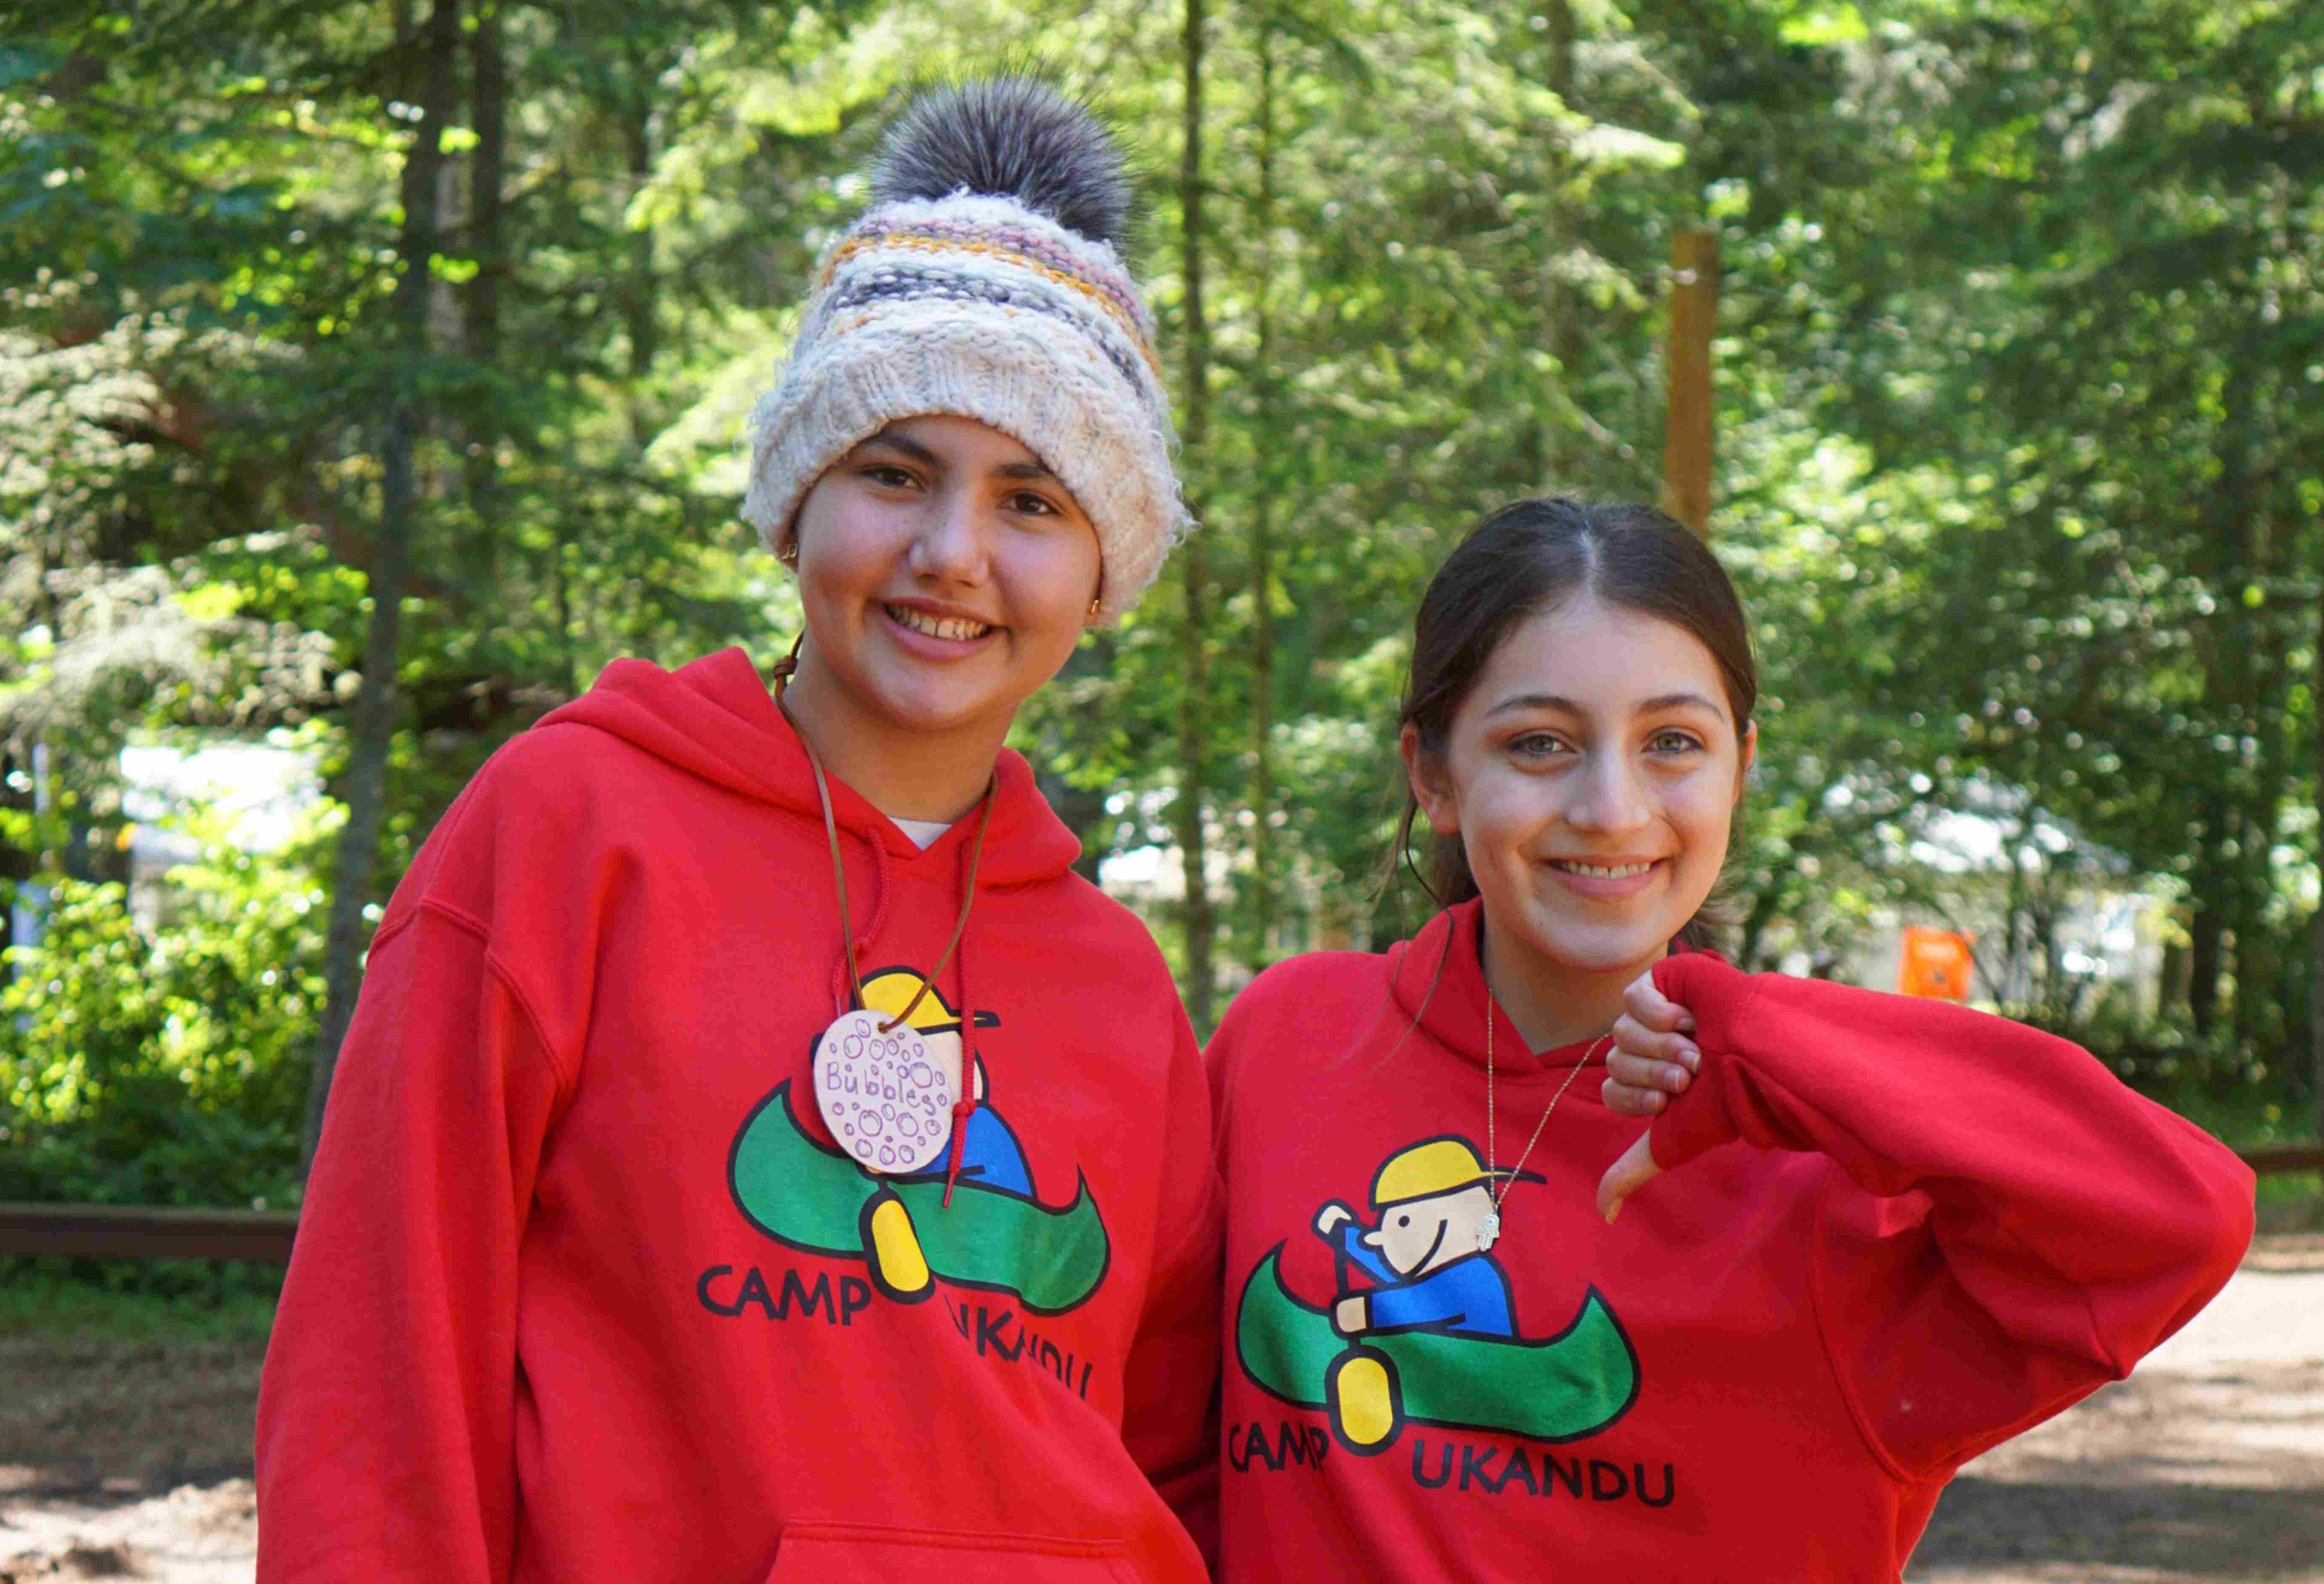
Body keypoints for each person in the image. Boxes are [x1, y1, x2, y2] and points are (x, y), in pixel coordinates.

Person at [256, 77, 1221, 1582]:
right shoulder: (570, 832)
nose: (948, 553)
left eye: (1031, 500)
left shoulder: (1115, 981)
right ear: (793, 503)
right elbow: (381, 1381)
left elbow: (1170, 1453)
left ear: (1105, 574)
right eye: (892, 471)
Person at [1207, 498, 2253, 1579]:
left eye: (1672, 743)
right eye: (1539, 743)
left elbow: (2182, 1214)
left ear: (1740, 767)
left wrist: (1762, 1033)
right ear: (1432, 774)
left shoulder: (1827, 1162)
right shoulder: (1287, 1040)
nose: (1612, 808)